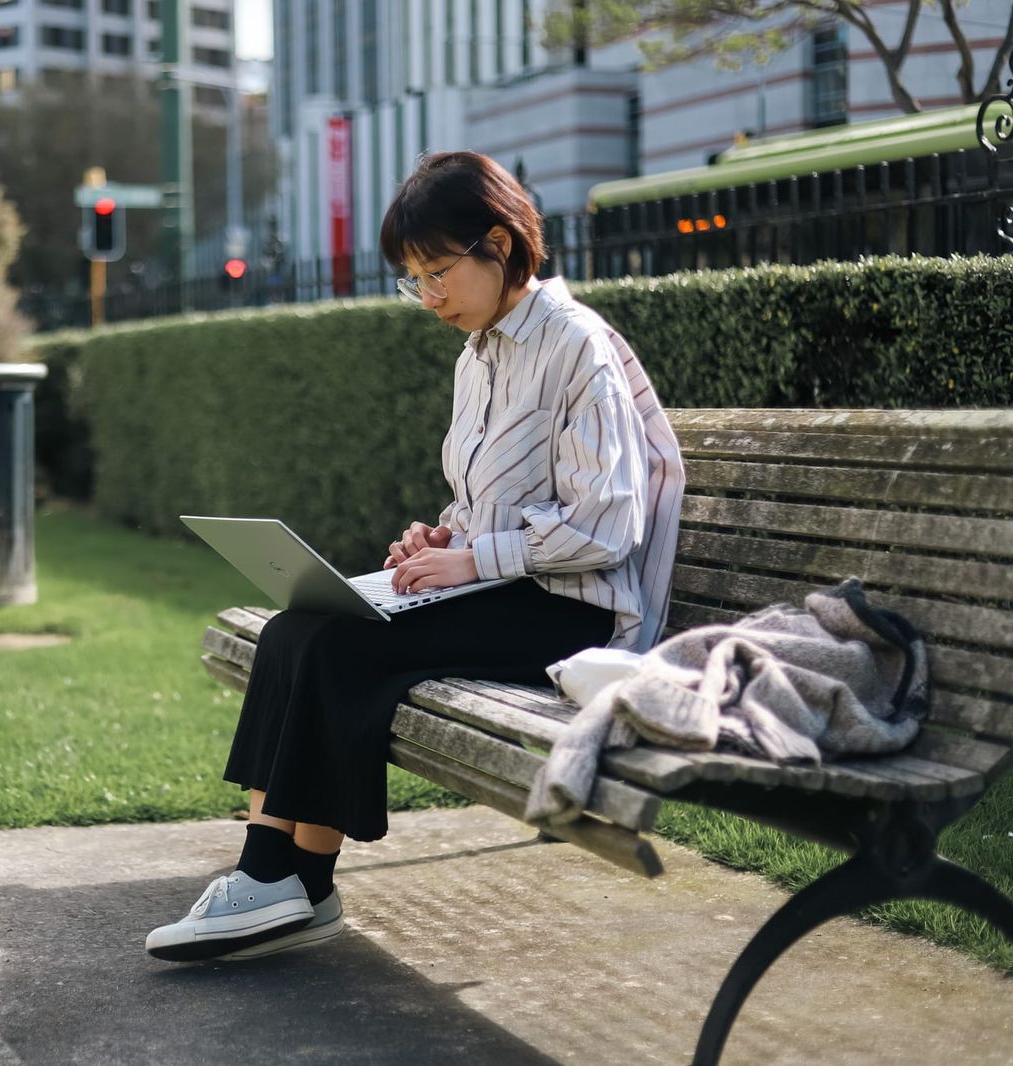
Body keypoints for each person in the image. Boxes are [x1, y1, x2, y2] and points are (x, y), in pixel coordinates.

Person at [145, 151, 685, 963]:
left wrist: (469, 563)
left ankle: (285, 879)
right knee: (300, 626)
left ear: (499, 246)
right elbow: (488, 503)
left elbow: (608, 527)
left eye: (438, 271)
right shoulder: (479, 355)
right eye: (413, 278)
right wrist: (443, 539)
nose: (428, 295)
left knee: (344, 643)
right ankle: (284, 878)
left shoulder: (575, 344)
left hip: (572, 612)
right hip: (511, 591)